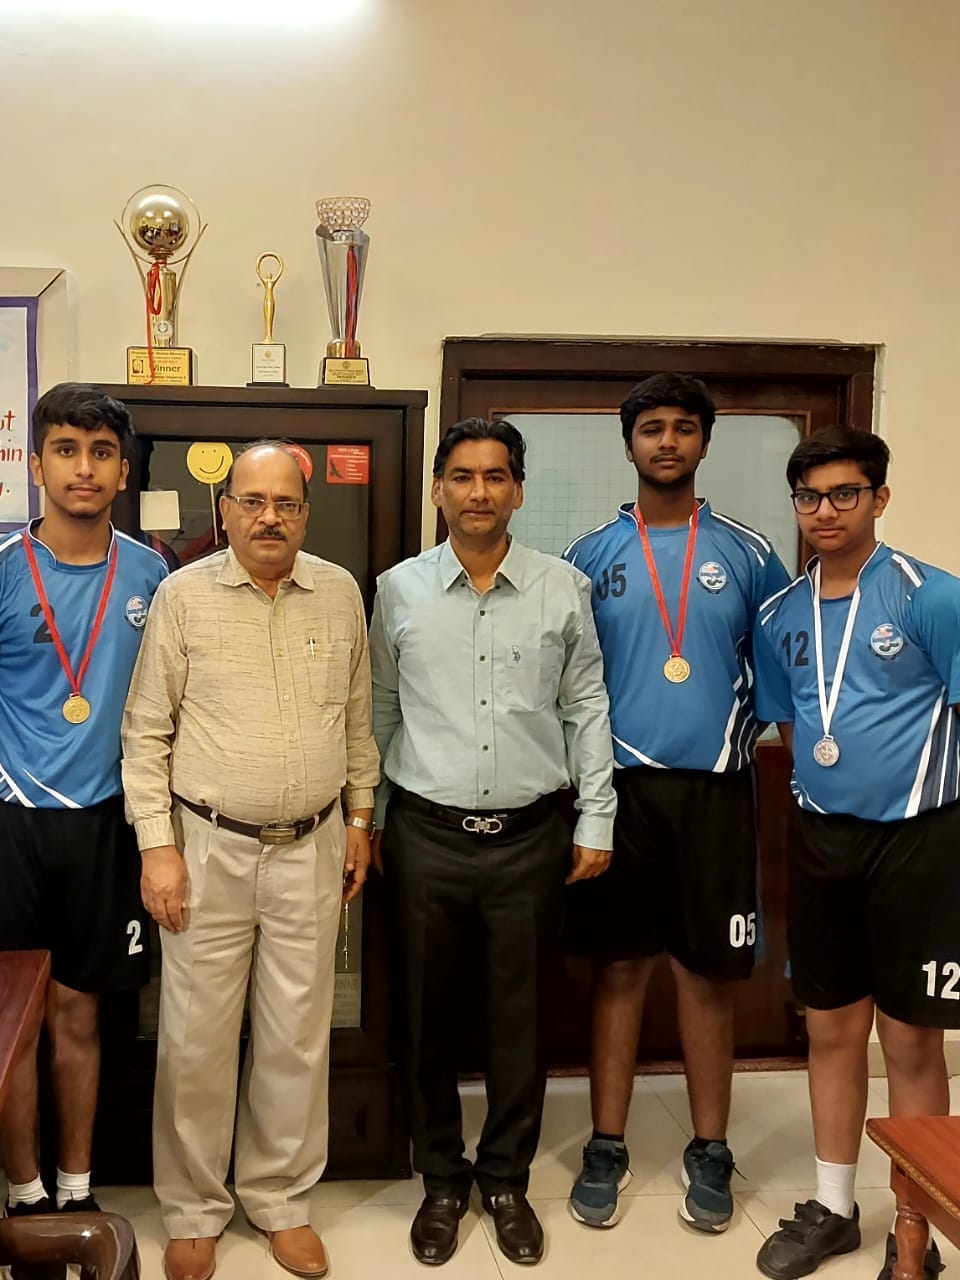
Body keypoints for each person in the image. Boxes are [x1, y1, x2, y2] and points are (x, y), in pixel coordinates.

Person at [121, 440, 378, 1280]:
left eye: (288, 503)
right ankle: (194, 1207)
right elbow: (145, 732)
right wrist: (158, 847)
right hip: (207, 847)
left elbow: (357, 721)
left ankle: (279, 1200)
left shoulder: (339, 593)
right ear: (223, 511)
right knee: (194, 1038)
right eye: (253, 501)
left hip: (310, 844)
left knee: (296, 1038)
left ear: (308, 512)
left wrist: (361, 815)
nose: (271, 517)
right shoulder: (181, 597)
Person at [369, 416, 616, 1267]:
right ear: (439, 488)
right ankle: (441, 1178)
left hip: (530, 840)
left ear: (517, 489)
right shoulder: (396, 589)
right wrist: (366, 824)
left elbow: (587, 707)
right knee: (425, 1015)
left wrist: (596, 817)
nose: (479, 492)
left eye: (496, 476)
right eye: (463, 476)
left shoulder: (561, 588)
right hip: (425, 837)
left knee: (522, 1019)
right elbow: (379, 713)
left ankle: (505, 1179)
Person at [0, 384, 167, 1273]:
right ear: (36, 463)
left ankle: (77, 1185)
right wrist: (16, 772)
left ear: (122, 468)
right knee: (11, 1020)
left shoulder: (152, 573)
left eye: (102, 451)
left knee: (83, 1011)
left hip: (105, 822)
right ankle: (24, 1189)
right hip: (5, 820)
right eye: (66, 449)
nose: (84, 466)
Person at [560, 373, 791, 1234]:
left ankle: (710, 1147)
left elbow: (780, 674)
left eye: (683, 428)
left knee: (706, 974)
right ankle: (607, 1144)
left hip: (718, 791)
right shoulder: (589, 555)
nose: (666, 441)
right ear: (629, 445)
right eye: (651, 428)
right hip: (616, 791)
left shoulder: (749, 551)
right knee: (619, 969)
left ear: (703, 443)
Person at [752, 427, 960, 1280]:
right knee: (832, 1029)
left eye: (845, 493)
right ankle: (833, 1207)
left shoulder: (931, 597)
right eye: (810, 497)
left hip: (923, 840)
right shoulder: (779, 616)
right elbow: (799, 727)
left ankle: (915, 1226)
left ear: (879, 497)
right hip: (824, 840)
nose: (826, 511)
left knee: (910, 1043)